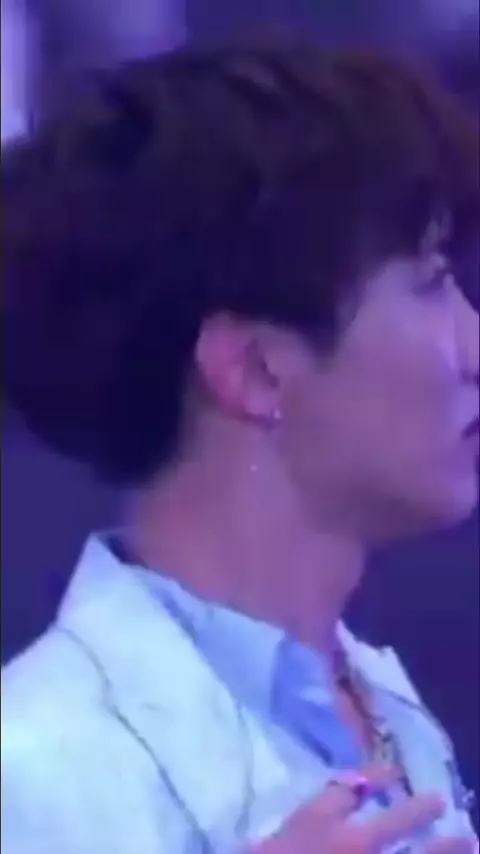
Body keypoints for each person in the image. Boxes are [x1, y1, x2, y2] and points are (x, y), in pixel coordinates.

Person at [1, 44, 479, 854]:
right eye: (430, 282)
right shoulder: (34, 765)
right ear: (255, 370)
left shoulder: (385, 709)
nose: (474, 344)